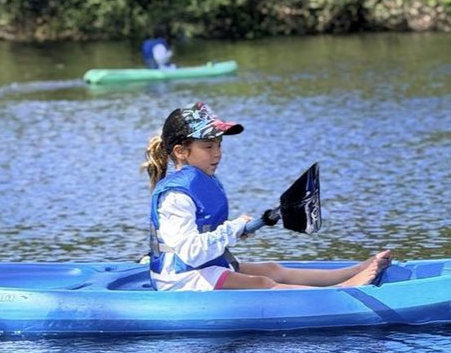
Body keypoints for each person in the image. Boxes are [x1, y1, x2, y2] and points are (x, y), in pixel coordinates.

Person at [142, 102, 392, 291]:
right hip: (178, 278)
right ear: (181, 151)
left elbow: (206, 237)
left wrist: (240, 230)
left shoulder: (204, 179)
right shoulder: (176, 194)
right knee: (262, 281)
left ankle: (352, 272)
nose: (217, 153)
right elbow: (190, 253)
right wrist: (232, 229)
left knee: (272, 269)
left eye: (219, 145)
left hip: (200, 267)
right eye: (208, 147)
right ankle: (342, 292)